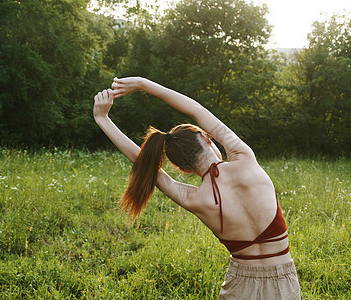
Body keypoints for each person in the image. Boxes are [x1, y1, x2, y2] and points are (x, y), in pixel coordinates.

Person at [93, 77, 302, 299]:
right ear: (207, 138)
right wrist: (144, 84)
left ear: (184, 169)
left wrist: (102, 118)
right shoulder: (244, 157)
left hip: (239, 287)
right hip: (283, 284)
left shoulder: (193, 198)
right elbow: (195, 109)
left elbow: (145, 165)